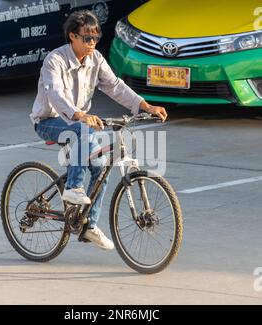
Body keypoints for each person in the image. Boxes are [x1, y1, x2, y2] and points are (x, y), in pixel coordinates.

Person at [30, 10, 168, 250]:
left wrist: (145, 105)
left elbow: (115, 86)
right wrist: (79, 114)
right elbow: (56, 94)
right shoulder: (55, 60)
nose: (92, 43)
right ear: (72, 36)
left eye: (96, 37)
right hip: (49, 120)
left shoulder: (96, 59)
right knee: (82, 130)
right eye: (86, 38)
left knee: (101, 166)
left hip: (79, 121)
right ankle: (73, 188)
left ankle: (89, 226)